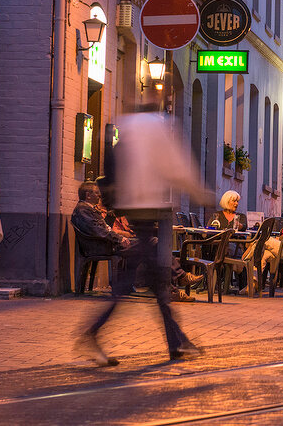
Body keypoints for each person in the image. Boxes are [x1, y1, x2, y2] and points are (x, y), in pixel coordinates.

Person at [76, 109, 211, 367]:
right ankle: (93, 334)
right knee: (149, 282)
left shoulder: (128, 126)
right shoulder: (157, 126)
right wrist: (199, 192)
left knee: (151, 281)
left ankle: (176, 342)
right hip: (146, 210)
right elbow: (175, 167)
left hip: (133, 209)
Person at [71, 181, 201, 298]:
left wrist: (119, 236)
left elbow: (102, 230)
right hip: (104, 246)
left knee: (150, 249)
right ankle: (178, 280)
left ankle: (171, 288)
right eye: (96, 194)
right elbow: (99, 231)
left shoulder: (87, 209)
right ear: (88, 195)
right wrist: (119, 238)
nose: (99, 196)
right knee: (153, 243)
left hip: (108, 244)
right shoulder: (83, 210)